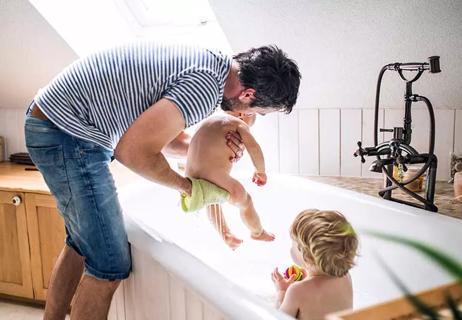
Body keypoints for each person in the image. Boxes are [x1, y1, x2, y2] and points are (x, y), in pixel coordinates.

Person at [24, 42, 301, 319]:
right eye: (256, 111)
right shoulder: (204, 89)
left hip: (56, 122)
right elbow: (133, 152)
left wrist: (207, 150)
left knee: (80, 244)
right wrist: (190, 188)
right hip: (67, 133)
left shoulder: (211, 64)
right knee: (108, 262)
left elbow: (160, 140)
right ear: (248, 93)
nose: (250, 117)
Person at [185, 111, 274, 250]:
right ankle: (258, 232)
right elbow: (254, 148)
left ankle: (225, 234)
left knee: (212, 200)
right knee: (245, 201)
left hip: (189, 178)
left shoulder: (208, 123)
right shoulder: (239, 123)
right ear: (243, 114)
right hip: (212, 175)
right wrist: (260, 171)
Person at [271, 209, 358, 320]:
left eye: (293, 245)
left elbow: (278, 317)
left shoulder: (296, 291)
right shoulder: (346, 277)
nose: (291, 248)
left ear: (308, 258)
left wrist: (281, 292)